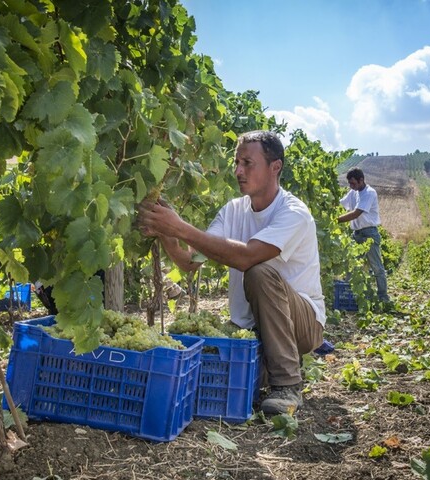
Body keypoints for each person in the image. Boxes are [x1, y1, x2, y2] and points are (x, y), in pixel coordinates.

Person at [136, 130, 325, 415]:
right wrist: (167, 232)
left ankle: (287, 385)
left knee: (258, 271)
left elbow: (246, 257)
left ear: (276, 167)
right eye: (236, 162)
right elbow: (190, 262)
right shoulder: (233, 210)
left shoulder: (293, 212)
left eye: (248, 163)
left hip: (302, 323)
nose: (238, 171)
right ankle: (272, 364)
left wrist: (180, 227)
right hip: (249, 327)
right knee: (213, 381)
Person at [337, 168, 390, 304]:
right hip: (357, 234)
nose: (351, 186)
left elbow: (356, 213)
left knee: (376, 267)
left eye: (353, 183)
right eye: (349, 183)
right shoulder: (353, 192)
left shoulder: (369, 193)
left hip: (369, 234)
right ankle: (350, 297)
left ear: (361, 180)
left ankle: (383, 297)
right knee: (351, 266)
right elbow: (340, 203)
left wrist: (335, 220)